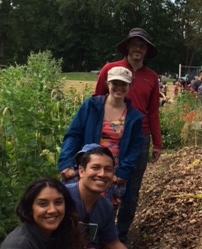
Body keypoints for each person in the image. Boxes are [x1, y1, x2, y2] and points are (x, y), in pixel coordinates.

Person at [95, 28, 161, 244]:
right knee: (103, 185)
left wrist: (157, 143)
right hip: (110, 136)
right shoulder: (110, 70)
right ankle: (101, 233)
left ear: (146, 51)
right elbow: (97, 101)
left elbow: (153, 112)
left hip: (139, 138)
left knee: (131, 190)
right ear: (127, 47)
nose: (138, 49)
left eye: (142, 46)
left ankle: (120, 236)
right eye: (134, 44)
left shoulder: (151, 77)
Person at [67, 145, 147, 249]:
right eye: (95, 167)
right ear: (81, 171)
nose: (102, 174)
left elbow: (113, 244)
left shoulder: (105, 206)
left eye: (108, 169)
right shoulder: (63, 198)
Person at [59, 66, 144, 206]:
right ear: (107, 83)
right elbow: (73, 135)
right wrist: (65, 163)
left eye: (123, 84)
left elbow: (135, 149)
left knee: (104, 211)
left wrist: (123, 172)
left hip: (112, 173)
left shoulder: (133, 117)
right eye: (115, 83)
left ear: (130, 86)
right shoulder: (92, 106)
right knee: (77, 207)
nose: (119, 88)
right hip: (88, 167)